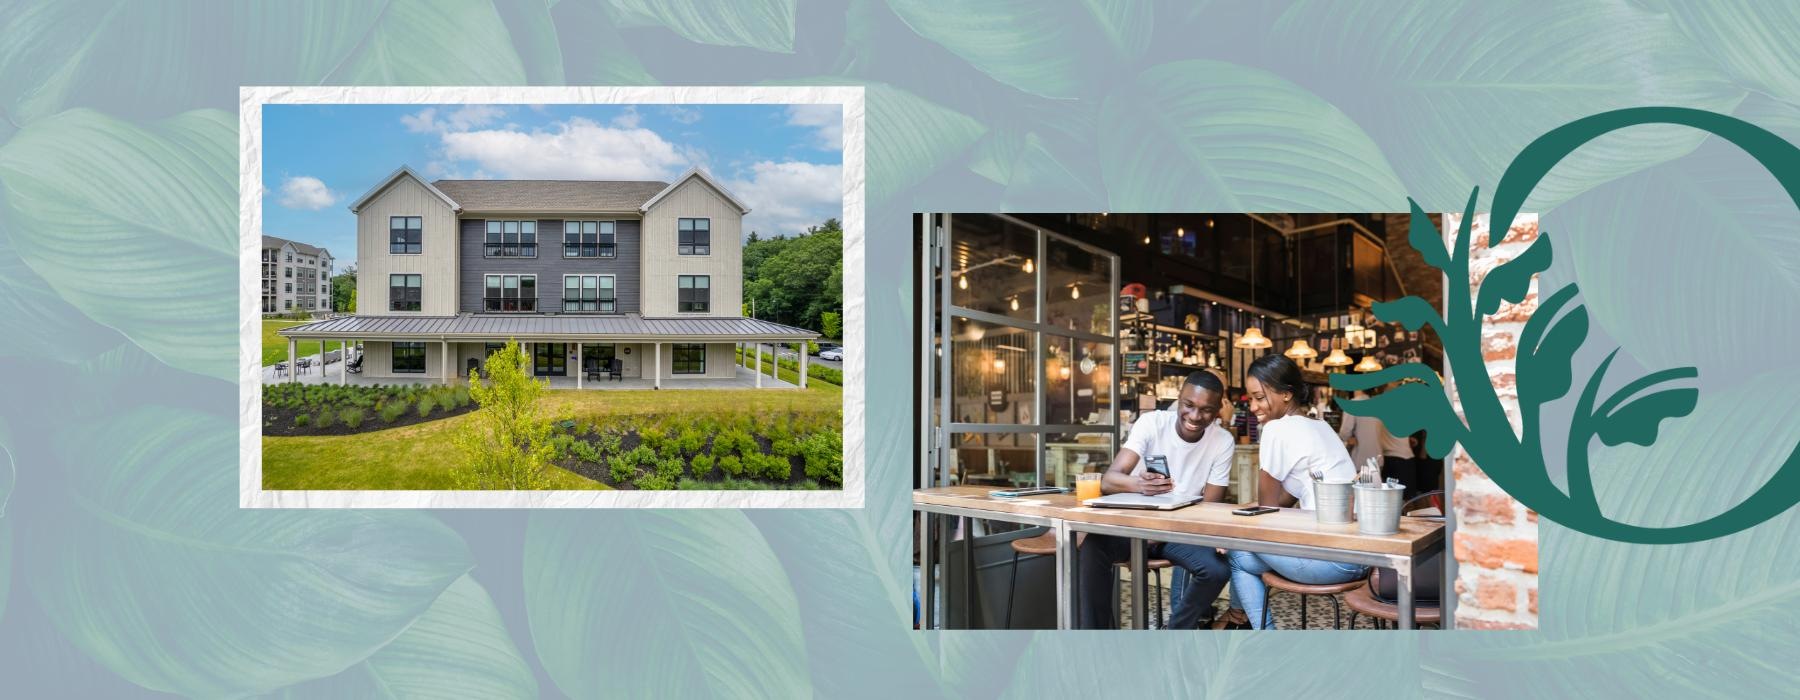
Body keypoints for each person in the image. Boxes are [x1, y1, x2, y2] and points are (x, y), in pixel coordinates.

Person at [1078, 371, 1235, 629]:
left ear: (1219, 410)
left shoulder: (1222, 441)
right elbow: (1108, 481)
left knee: (1216, 570)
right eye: (1189, 405)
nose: (1195, 416)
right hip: (1135, 526)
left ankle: (1173, 634)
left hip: (1177, 533)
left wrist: (1162, 532)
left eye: (1207, 410)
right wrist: (1140, 485)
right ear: (1178, 400)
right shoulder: (1152, 423)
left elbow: (1210, 507)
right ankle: (1096, 639)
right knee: (1093, 548)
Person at [1222, 354, 1367, 629]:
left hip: (1333, 560)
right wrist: (1237, 520)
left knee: (1239, 556)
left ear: (1286, 394)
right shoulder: (1320, 425)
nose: (1253, 407)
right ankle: (1243, 624)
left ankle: (1264, 635)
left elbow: (1266, 514)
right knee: (1241, 547)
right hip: (1363, 556)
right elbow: (1283, 502)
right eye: (1250, 399)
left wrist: (1232, 533)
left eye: (1259, 398)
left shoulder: (1277, 429)